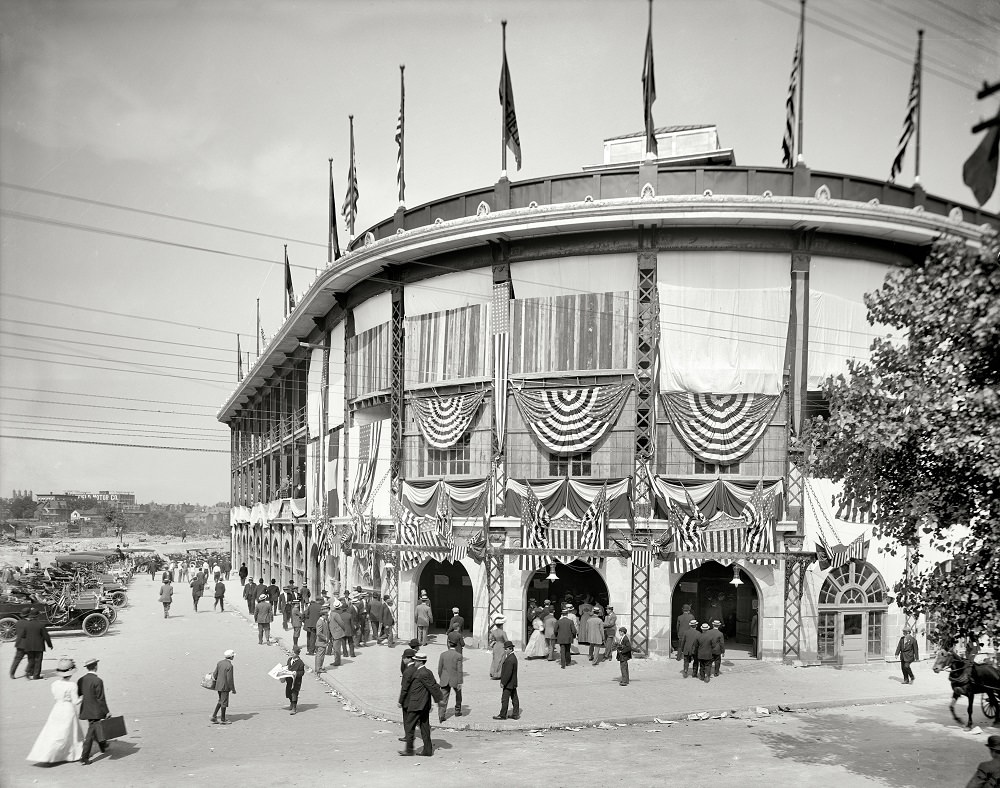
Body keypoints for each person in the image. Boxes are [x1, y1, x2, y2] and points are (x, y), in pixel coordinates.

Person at [26, 658, 85, 764]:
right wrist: (83, 697)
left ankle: (46, 754)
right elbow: (76, 701)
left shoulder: (55, 684)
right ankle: (72, 754)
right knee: (70, 732)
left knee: (54, 731)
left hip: (57, 708)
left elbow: (55, 696)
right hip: (68, 709)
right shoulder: (72, 685)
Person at [398, 653, 443, 757]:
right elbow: (434, 685)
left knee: (409, 726)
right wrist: (438, 699)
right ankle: (427, 750)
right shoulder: (427, 672)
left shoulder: (422, 673)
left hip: (416, 705)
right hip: (424, 705)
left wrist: (439, 700)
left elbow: (432, 687)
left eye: (416, 661)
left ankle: (409, 750)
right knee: (424, 727)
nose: (415, 662)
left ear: (420, 662)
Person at [77, 657, 110, 765]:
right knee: (90, 734)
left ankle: (103, 745)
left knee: (95, 728)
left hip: (86, 709)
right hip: (95, 711)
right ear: (96, 666)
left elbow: (79, 693)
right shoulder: (98, 681)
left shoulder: (81, 680)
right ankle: (84, 757)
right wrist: (106, 711)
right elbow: (101, 699)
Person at [12, 607, 52, 680]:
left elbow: (22, 634)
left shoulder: (21, 623)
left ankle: (14, 673)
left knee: (28, 660)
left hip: (26, 645)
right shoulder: (40, 625)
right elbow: (46, 636)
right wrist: (50, 645)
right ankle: (34, 675)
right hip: (37, 646)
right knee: (37, 661)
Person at [437, 639, 464, 721]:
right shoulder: (458, 655)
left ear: (448, 644)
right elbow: (459, 670)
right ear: (456, 645)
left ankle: (441, 715)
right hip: (455, 679)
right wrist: (460, 681)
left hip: (444, 678)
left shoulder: (443, 655)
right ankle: (457, 711)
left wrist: (441, 677)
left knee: (443, 698)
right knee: (458, 695)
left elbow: (439, 669)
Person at [493, 641, 520, 720]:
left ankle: (502, 715)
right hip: (513, 682)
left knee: (504, 699)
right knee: (514, 698)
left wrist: (503, 682)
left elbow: (508, 673)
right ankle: (515, 714)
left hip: (508, 683)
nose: (505, 650)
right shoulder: (513, 657)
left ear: (510, 649)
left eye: (506, 649)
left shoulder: (510, 660)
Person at [210, 649, 236, 724]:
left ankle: (214, 716)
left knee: (220, 700)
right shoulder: (230, 665)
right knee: (224, 702)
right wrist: (233, 689)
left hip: (218, 685)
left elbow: (215, 674)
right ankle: (223, 719)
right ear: (231, 657)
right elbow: (230, 679)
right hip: (225, 687)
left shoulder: (220, 663)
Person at [284, 646, 305, 714]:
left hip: (296, 681)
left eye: (294, 652)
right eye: (292, 651)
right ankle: (291, 702)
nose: (292, 653)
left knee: (294, 693)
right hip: (289, 680)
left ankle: (294, 708)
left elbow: (302, 672)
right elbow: (287, 667)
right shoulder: (289, 660)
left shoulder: (300, 663)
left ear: (297, 654)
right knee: (288, 692)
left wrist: (296, 673)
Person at [328, 600, 348, 667]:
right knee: (336, 647)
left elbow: (341, 623)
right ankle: (337, 660)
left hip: (336, 633)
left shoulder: (334, 614)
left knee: (336, 648)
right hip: (335, 632)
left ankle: (337, 661)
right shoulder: (336, 613)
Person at [314, 604, 331, 673]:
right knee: (320, 656)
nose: (327, 616)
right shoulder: (320, 622)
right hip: (321, 642)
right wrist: (326, 638)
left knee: (320, 656)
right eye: (327, 615)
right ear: (323, 615)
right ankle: (318, 668)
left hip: (322, 642)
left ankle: (319, 667)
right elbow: (318, 633)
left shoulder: (323, 621)